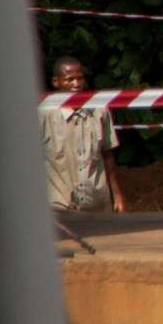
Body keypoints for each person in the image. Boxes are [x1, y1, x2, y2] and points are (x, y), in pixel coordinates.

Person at [44, 57, 124, 214]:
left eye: (80, 78)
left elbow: (107, 155)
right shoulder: (43, 115)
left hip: (97, 203)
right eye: (70, 79)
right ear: (56, 82)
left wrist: (117, 194)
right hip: (58, 206)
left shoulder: (99, 110)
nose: (76, 84)